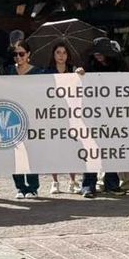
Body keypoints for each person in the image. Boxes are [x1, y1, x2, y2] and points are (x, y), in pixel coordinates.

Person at [77, 38, 126, 198]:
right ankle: (88, 185)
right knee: (91, 150)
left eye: (101, 53)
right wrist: (80, 73)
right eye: (96, 53)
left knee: (110, 150)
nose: (97, 56)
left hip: (112, 114)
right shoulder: (88, 65)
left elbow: (128, 80)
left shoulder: (118, 64)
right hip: (92, 114)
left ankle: (112, 184)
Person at [1, 40, 44, 198]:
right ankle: (20, 187)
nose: (18, 57)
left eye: (21, 54)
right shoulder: (8, 71)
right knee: (15, 154)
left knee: (32, 152)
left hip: (32, 117)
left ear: (28, 54)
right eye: (15, 54)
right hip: (12, 118)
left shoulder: (38, 72)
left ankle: (33, 187)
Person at [45, 41, 80, 194]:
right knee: (54, 148)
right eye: (58, 52)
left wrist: (81, 75)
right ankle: (55, 181)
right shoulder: (46, 72)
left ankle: (73, 180)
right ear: (53, 55)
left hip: (72, 115)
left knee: (71, 148)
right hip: (53, 115)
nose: (61, 55)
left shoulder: (73, 70)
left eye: (64, 52)